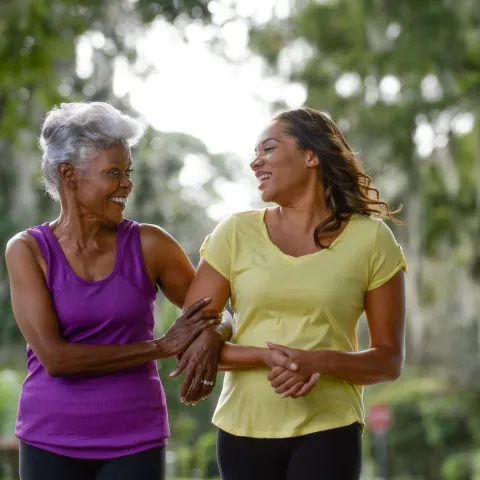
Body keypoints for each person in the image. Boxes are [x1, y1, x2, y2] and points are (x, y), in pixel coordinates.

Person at [4, 102, 243, 480]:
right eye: (113, 172)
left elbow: (222, 311)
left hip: (136, 438)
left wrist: (214, 334)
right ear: (69, 175)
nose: (127, 184)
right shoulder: (28, 250)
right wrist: (160, 347)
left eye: (128, 171)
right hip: (49, 438)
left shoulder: (150, 244)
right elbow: (56, 359)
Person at [174, 107, 407, 480]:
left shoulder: (372, 239)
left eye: (268, 149)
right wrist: (267, 357)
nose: (255, 162)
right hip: (242, 429)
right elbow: (189, 343)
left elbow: (388, 361)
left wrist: (318, 362)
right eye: (254, 153)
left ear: (311, 156)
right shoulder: (234, 233)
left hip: (329, 426)